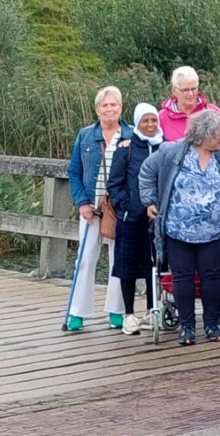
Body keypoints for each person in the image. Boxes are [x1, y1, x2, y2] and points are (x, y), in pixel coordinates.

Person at [140, 110, 220, 346]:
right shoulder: (172, 152)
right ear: (204, 134)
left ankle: (212, 324)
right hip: (178, 229)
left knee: (211, 276)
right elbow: (147, 171)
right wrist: (150, 201)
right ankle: (187, 328)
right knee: (182, 277)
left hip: (214, 230)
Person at [65, 86, 132, 331]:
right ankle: (77, 313)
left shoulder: (131, 135)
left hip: (119, 210)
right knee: (84, 260)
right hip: (91, 210)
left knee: (119, 259)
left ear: (121, 108)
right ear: (97, 109)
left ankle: (116, 310)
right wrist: (81, 202)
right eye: (105, 105)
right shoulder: (85, 136)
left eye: (114, 105)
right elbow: (74, 171)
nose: (109, 109)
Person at [106, 102, 164, 335]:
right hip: (131, 218)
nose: (150, 125)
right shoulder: (126, 148)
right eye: (145, 121)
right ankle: (129, 314)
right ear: (137, 123)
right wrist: (126, 205)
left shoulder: (165, 147)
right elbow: (115, 183)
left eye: (153, 120)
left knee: (154, 265)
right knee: (127, 267)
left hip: (157, 218)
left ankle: (151, 310)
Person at [158, 65, 220, 143]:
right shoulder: (162, 118)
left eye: (194, 89)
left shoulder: (213, 111)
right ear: (174, 91)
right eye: (185, 90)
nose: (191, 94)